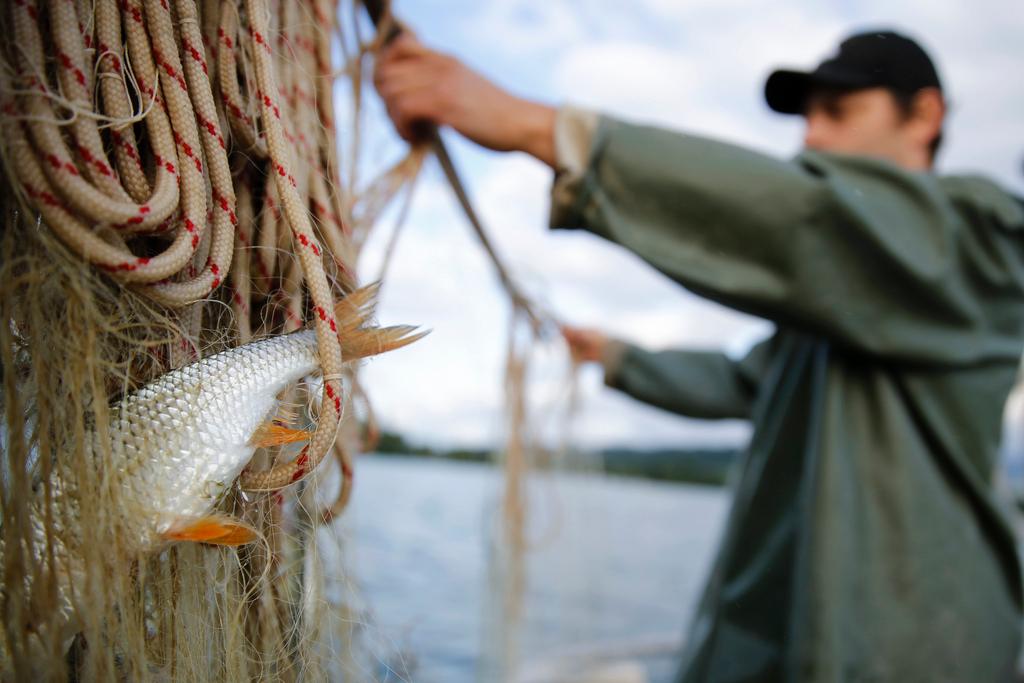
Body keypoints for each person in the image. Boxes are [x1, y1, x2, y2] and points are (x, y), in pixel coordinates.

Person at [375, 28, 1024, 682]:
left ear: (926, 116)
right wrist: (616, 356)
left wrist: (543, 130)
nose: (812, 138)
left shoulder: (986, 244)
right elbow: (743, 380)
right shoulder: (833, 310)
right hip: (785, 636)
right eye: (807, 119)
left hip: (925, 650)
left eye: (838, 111)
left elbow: (809, 218)